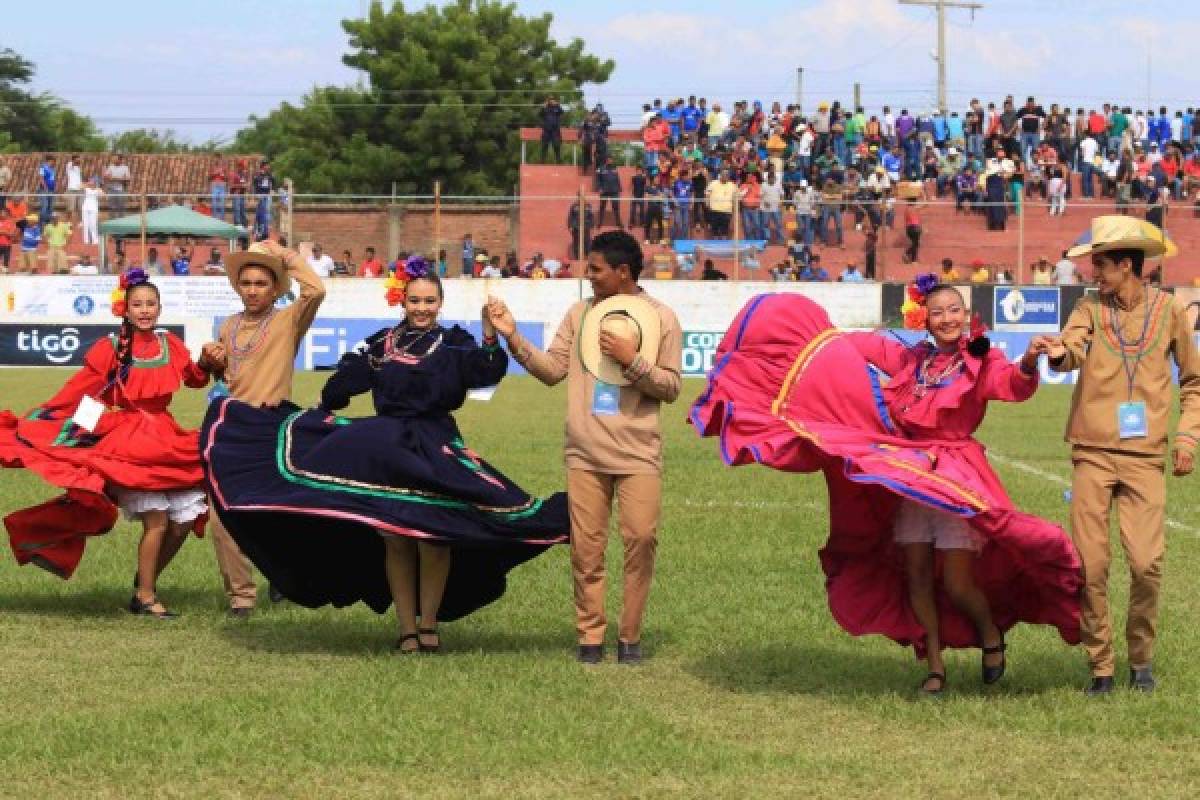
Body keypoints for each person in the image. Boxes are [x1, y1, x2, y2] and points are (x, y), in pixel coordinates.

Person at [690, 280, 1081, 695]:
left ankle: (989, 634)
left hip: (955, 478)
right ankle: (934, 668)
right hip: (910, 475)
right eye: (938, 312)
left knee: (956, 581)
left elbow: (1011, 383)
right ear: (924, 320)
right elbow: (846, 344)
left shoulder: (981, 360)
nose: (948, 319)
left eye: (954, 311)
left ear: (966, 316)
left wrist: (1029, 361)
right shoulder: (910, 360)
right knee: (915, 576)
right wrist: (810, 345)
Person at [200, 257, 568, 650]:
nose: (422, 308)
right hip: (386, 445)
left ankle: (429, 625)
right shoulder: (380, 343)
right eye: (415, 301)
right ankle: (406, 629)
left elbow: (487, 371)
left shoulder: (455, 341)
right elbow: (343, 382)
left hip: (434, 443)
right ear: (402, 301)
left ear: (439, 303)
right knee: (395, 537)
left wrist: (492, 335)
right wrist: (320, 412)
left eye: (429, 301)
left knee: (436, 535)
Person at [487, 230, 683, 665]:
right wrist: (513, 337)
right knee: (587, 549)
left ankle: (629, 637)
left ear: (623, 272)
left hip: (638, 453)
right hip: (585, 452)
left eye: (596, 269)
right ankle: (590, 637)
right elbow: (553, 370)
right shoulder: (579, 315)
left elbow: (670, 387)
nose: (587, 276)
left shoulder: (662, 318)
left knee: (641, 540)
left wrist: (632, 358)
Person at [0, 268, 223, 616]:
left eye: (151, 304)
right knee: (158, 520)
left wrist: (206, 363)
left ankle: (145, 580)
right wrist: (57, 428)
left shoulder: (170, 344)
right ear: (125, 309)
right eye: (138, 304)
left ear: (160, 308)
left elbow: (194, 380)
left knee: (183, 520)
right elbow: (80, 392)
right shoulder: (108, 348)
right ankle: (146, 598)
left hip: (166, 438)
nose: (145, 310)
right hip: (128, 442)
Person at [1044, 216, 1199, 695]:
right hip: (1092, 452)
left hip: (1145, 455)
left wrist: (1188, 438)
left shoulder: (1171, 310)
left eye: (1103, 264)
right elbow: (1071, 350)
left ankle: (1141, 657)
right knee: (1091, 565)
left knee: (1147, 564)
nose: (1094, 272)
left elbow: (1193, 382)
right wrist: (1056, 353)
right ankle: (1101, 665)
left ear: (1128, 266)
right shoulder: (1088, 309)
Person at [205, 240, 326, 616]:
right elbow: (224, 377)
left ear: (275, 288)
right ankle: (241, 596)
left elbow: (316, 289)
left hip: (271, 426)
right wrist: (210, 361)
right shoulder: (228, 325)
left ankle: (282, 575)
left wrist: (283, 254)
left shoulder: (288, 320)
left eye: (262, 283)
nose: (253, 290)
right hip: (230, 429)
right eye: (247, 283)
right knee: (220, 516)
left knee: (275, 510)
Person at [539, 95, 565, 163]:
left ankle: (558, 160)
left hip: (555, 130)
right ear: (548, 101)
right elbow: (540, 114)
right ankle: (542, 160)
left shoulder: (557, 107)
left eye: (552, 99)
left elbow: (562, 112)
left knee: (556, 145)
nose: (551, 101)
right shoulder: (545, 107)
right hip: (546, 130)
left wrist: (558, 105)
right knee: (544, 145)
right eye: (550, 100)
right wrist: (543, 107)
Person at [81, 178, 104, 247]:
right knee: (85, 225)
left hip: (93, 208)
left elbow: (103, 196)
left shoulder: (98, 190)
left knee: (93, 224)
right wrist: (88, 184)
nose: (92, 183)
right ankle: (86, 240)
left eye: (93, 182)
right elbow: (79, 186)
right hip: (85, 208)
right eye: (91, 182)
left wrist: (99, 189)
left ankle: (95, 240)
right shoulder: (87, 189)